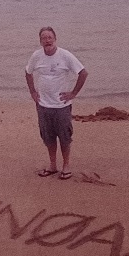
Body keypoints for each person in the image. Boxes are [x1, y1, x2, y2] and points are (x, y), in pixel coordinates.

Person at [25, 26, 88, 180]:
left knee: (65, 137)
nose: (47, 40)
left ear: (55, 39)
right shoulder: (36, 56)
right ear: (40, 41)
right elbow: (28, 72)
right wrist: (33, 92)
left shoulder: (65, 56)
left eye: (49, 37)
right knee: (48, 137)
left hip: (61, 106)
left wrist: (73, 93)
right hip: (43, 105)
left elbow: (83, 73)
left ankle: (66, 166)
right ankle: (53, 166)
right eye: (44, 38)